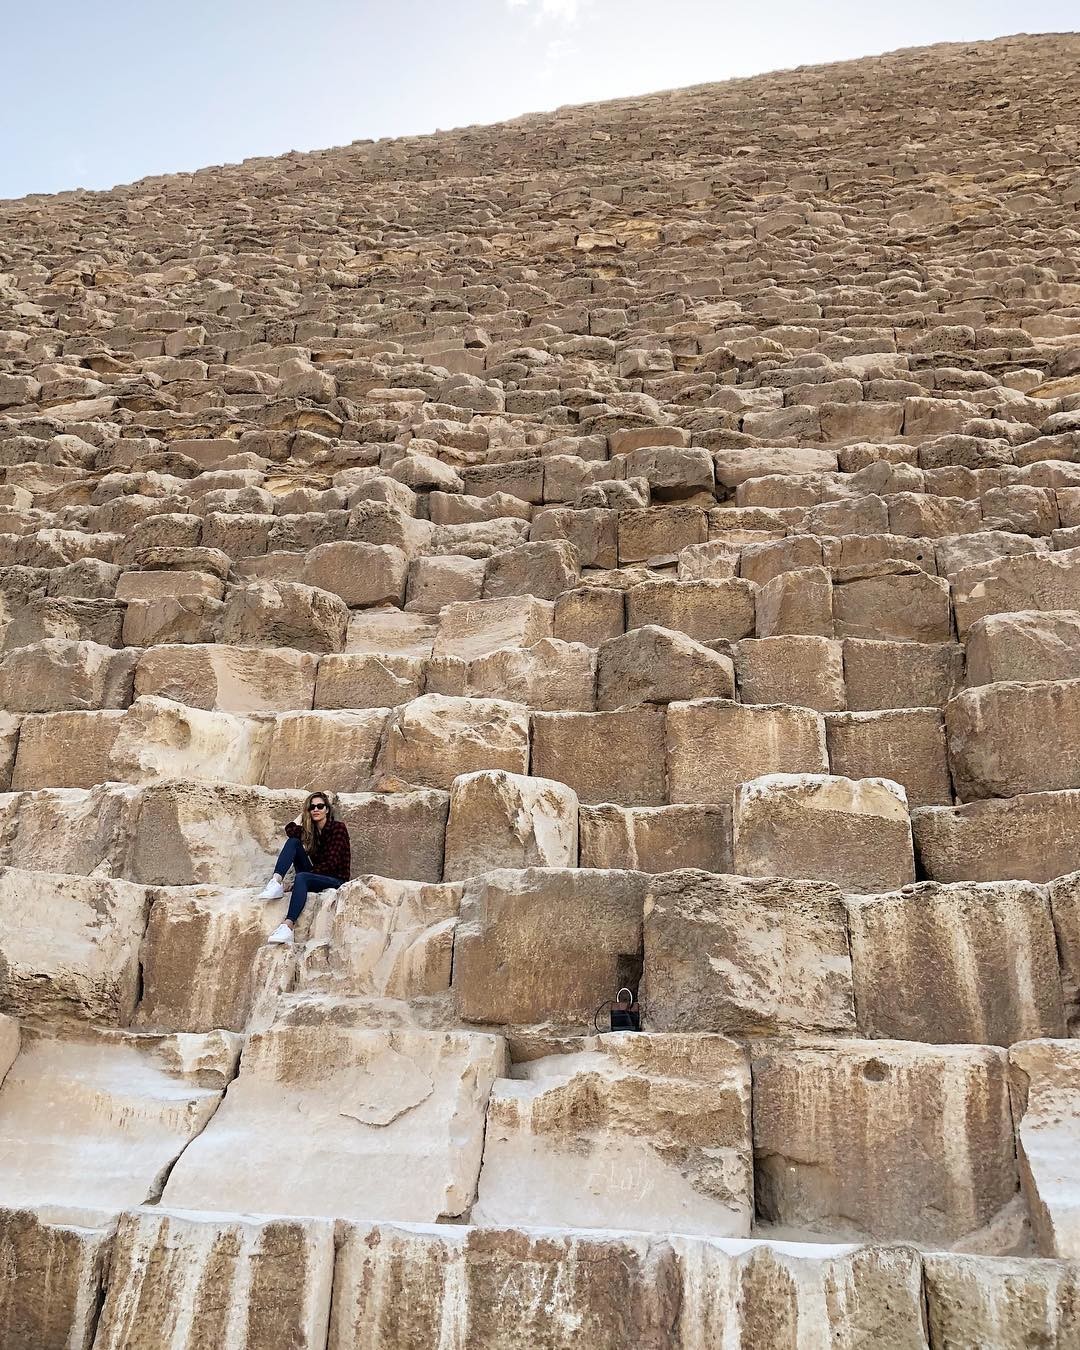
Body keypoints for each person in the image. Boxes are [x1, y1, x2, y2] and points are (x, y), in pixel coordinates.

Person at [259, 791, 351, 945]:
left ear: (327, 809)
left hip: (335, 879)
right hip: (317, 875)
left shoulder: (338, 828)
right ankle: (275, 881)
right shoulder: (312, 832)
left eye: (320, 806)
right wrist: (303, 815)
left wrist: (294, 884)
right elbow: (290, 829)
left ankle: (288, 926)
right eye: (311, 807)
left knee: (301, 877)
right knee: (294, 842)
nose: (315, 809)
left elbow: (331, 864)